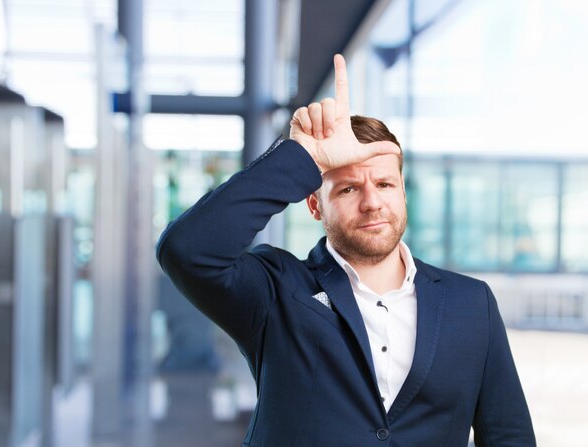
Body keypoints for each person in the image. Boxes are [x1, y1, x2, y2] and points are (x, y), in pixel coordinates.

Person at [156, 54, 536, 446]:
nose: (372, 202)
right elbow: (187, 250)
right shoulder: (277, 291)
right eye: (349, 188)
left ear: (403, 193)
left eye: (385, 185)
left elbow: (509, 436)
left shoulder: (472, 303)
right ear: (315, 205)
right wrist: (300, 158)